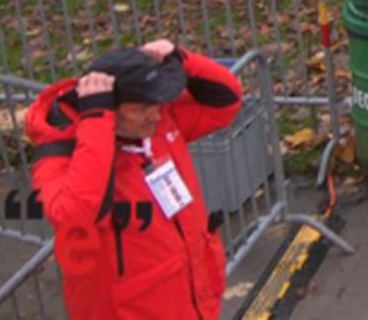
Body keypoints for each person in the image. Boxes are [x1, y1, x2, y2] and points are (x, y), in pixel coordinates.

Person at [26, 38, 244, 319]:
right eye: (142, 108)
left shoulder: (155, 123)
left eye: (156, 103)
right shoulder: (59, 155)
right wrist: (96, 122)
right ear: (109, 108)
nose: (155, 114)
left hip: (190, 298)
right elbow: (78, 217)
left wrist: (181, 60)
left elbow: (226, 101)